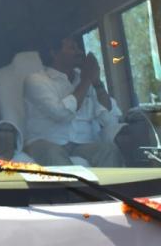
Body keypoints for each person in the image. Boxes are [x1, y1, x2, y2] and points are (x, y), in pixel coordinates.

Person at [23, 35, 125, 167]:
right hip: (46, 141)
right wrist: (86, 80)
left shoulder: (84, 78)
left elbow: (108, 119)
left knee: (109, 150)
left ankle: (110, 189)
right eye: (72, 48)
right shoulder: (36, 80)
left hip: (82, 143)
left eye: (78, 48)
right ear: (54, 53)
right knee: (53, 153)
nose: (79, 52)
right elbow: (61, 114)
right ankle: (76, 188)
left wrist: (97, 82)